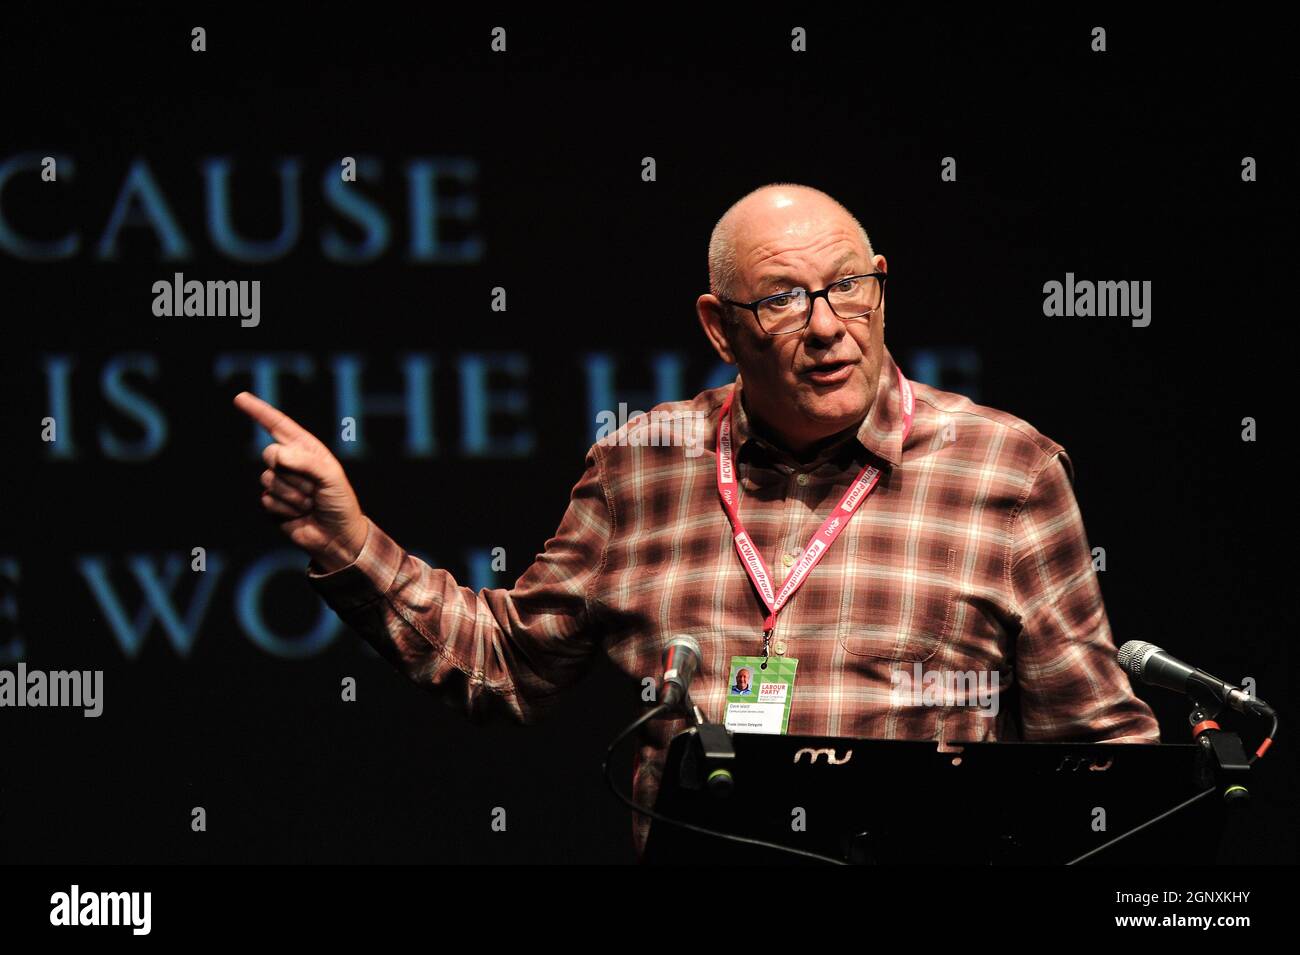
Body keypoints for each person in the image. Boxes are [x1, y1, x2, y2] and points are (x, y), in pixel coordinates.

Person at [233, 182, 1161, 860]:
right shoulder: (643, 464)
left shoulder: (1004, 468)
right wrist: (345, 542)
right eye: (784, 300)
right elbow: (505, 663)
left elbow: (1101, 751)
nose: (829, 324)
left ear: (882, 285)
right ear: (721, 329)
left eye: (850, 286)